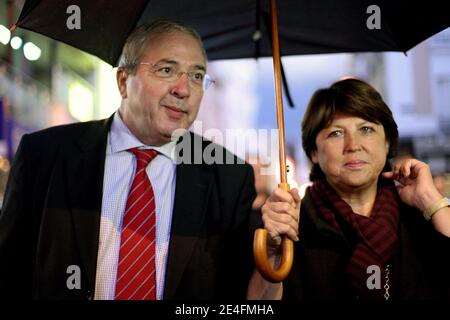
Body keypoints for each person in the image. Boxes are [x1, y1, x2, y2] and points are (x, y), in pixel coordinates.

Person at [0, 19, 299, 300]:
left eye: (197, 76)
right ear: (122, 81)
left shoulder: (230, 177)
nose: (183, 90)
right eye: (166, 70)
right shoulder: (45, 155)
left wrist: (273, 249)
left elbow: (243, 297)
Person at [282, 78, 450, 301]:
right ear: (314, 152)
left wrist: (431, 201)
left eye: (366, 129)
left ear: (387, 142)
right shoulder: (293, 225)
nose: (353, 145)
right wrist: (274, 250)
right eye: (336, 133)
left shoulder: (418, 216)